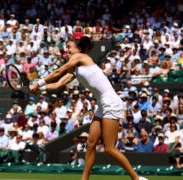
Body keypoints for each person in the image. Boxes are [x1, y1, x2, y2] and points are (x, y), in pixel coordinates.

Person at [30, 36, 146, 180]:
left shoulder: (80, 56)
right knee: (90, 144)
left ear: (78, 49)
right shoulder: (75, 69)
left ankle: (137, 178)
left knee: (109, 148)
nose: (66, 50)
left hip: (111, 102)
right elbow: (58, 84)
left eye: (69, 47)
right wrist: (38, 89)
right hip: (102, 105)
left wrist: (38, 83)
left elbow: (59, 72)